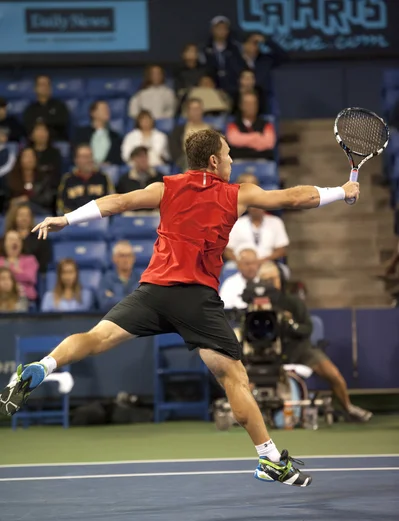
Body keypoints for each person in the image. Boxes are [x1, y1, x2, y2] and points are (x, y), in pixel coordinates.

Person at [0, 129, 361, 488]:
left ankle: (42, 367)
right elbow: (294, 198)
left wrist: (66, 219)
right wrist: (341, 191)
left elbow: (118, 201)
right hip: (196, 300)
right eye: (229, 154)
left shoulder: (165, 186)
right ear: (214, 161)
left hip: (153, 291)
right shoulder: (237, 194)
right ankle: (269, 460)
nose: (233, 160)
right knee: (234, 378)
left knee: (96, 337)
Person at [221, 259, 372, 422]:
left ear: (280, 280)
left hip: (298, 349)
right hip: (263, 352)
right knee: (241, 378)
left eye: (273, 279)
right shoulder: (252, 304)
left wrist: (289, 324)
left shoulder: (292, 302)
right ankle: (237, 414)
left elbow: (307, 329)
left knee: (332, 373)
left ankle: (347, 407)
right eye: (265, 280)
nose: (269, 283)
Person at [225, 174, 289, 265]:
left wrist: (261, 261)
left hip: (267, 263)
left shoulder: (275, 222)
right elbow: (227, 250)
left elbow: (282, 250)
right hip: (240, 264)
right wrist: (241, 263)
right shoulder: (236, 222)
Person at [57, 144, 114, 214]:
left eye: (90, 156)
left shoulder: (103, 177)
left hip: (99, 219)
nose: (89, 160)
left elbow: (111, 200)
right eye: (85, 157)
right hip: (74, 220)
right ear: (76, 160)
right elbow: (61, 204)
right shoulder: (68, 179)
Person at [226, 92, 276, 160]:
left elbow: (269, 143)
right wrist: (256, 136)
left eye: (253, 103)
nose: (251, 107)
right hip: (239, 161)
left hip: (262, 161)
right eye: (247, 104)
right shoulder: (233, 124)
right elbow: (234, 140)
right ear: (241, 106)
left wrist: (244, 141)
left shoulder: (266, 124)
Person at [6, 147, 56, 215]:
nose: (30, 159)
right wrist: (16, 201)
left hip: (38, 211)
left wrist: (28, 199)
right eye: (26, 156)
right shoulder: (10, 177)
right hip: (15, 212)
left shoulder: (44, 177)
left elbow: (48, 199)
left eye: (32, 156)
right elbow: (5, 200)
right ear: (20, 159)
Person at [4, 204, 52, 273]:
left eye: (27, 215)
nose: (24, 218)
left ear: (31, 218)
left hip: (32, 275)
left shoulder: (40, 239)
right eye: (21, 215)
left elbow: (44, 263)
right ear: (14, 218)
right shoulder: (6, 238)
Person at [73, 101, 122, 166]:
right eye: (103, 109)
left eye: (108, 109)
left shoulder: (115, 136)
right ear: (93, 113)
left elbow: (117, 159)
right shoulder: (81, 134)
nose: (107, 112)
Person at [23, 75, 69, 141]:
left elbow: (62, 125)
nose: (44, 87)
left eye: (47, 85)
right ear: (35, 88)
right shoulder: (30, 109)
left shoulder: (60, 106)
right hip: (35, 143)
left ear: (51, 88)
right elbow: (28, 128)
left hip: (56, 141)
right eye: (41, 85)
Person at [200, 15, 240, 91]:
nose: (221, 31)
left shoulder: (235, 49)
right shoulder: (205, 49)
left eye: (224, 28)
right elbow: (203, 69)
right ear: (212, 30)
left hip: (232, 88)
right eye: (218, 28)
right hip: (212, 88)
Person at [97, 241, 140, 312]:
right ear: (114, 258)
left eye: (129, 255)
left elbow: (143, 304)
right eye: (122, 255)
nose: (126, 259)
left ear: (134, 258)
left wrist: (114, 298)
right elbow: (104, 304)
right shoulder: (106, 279)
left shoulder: (140, 279)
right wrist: (132, 300)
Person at [169, 98, 210, 170]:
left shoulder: (212, 129)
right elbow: (174, 150)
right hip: (187, 160)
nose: (196, 112)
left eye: (198, 109)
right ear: (188, 112)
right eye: (193, 109)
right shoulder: (179, 130)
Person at [0, 230, 38, 301]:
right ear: (4, 243)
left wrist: (6, 275)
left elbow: (30, 277)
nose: (15, 242)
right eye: (11, 239)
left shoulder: (30, 259)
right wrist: (19, 272)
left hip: (26, 298)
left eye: (18, 239)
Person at [30, 122, 62, 189]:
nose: (41, 133)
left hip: (49, 189)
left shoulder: (55, 153)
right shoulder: (27, 152)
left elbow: (56, 175)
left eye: (44, 130)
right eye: (38, 130)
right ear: (32, 135)